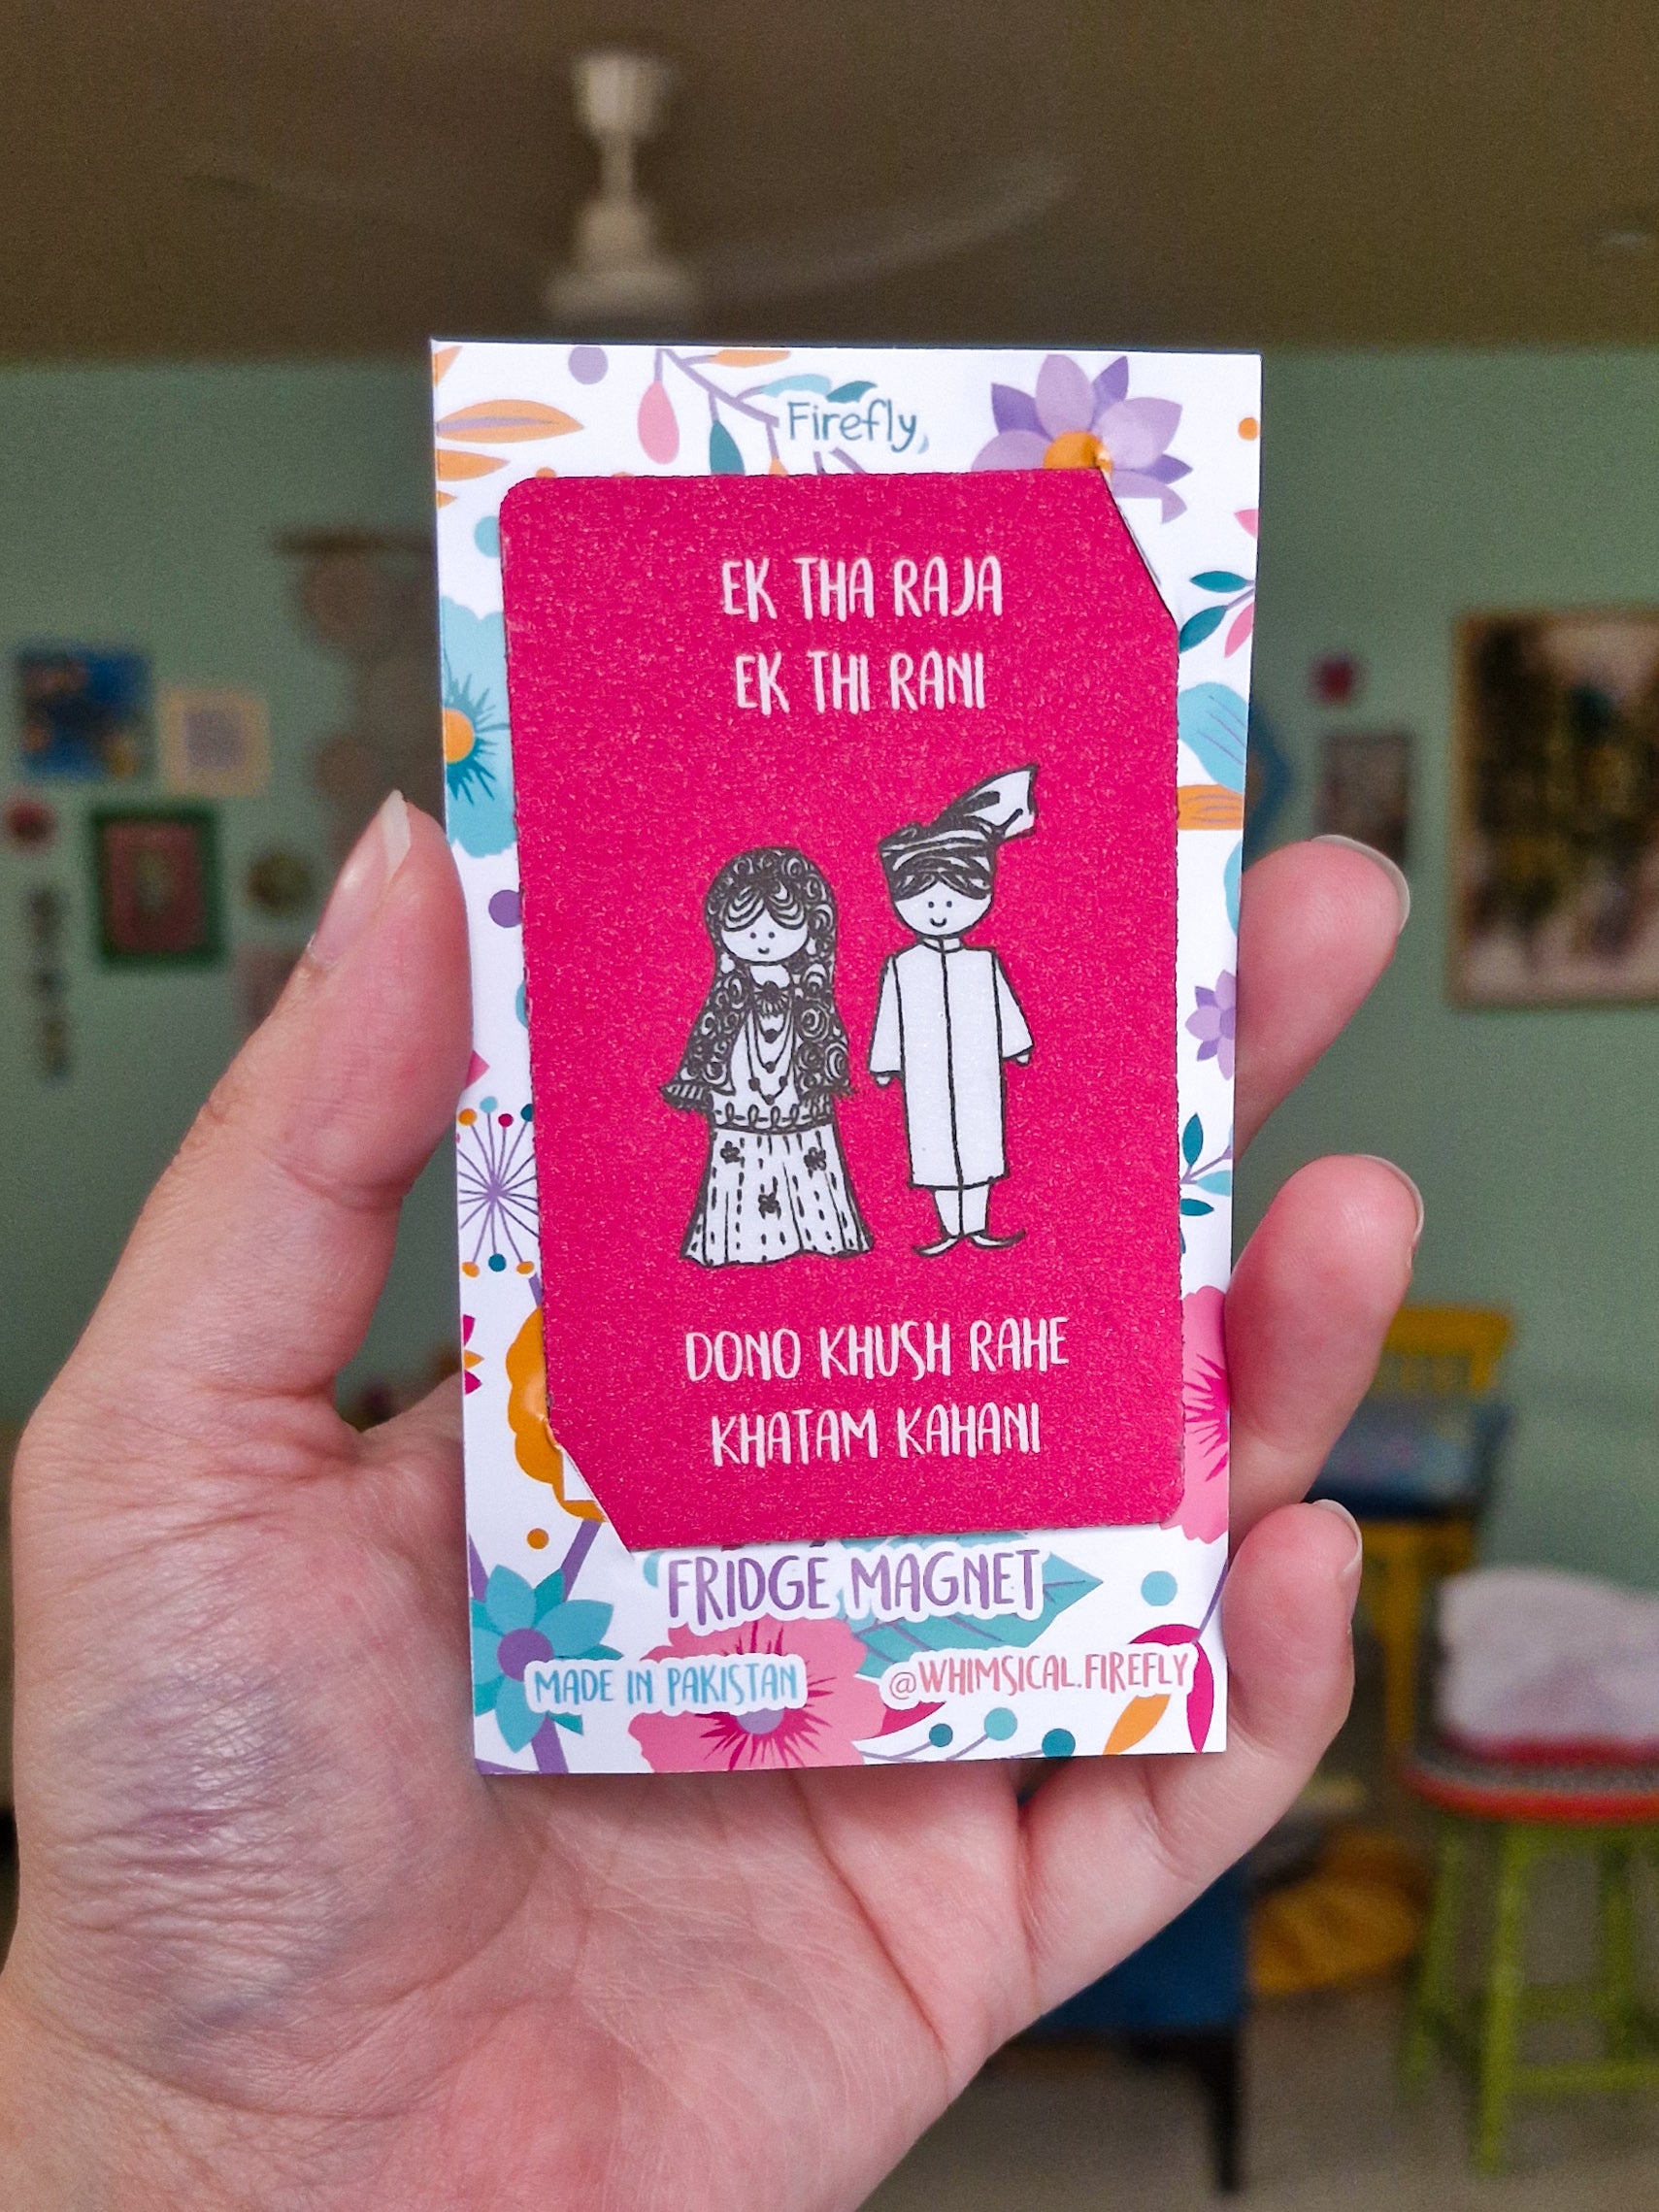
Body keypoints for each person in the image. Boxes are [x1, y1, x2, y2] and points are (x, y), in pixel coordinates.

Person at [0, 793, 1418, 2208]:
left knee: (956, 1168)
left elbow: (933, 1051)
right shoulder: (761, 989)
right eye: (756, 922)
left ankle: (942, 1221)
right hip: (728, 1235)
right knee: (824, 1180)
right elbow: (760, 1060)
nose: (779, 939)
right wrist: (211, 2131)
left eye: (788, 922)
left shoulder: (931, 974)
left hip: (876, 1205)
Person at [663, 844, 871, 1267]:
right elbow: (710, 1035)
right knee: (738, 1153)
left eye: (777, 929)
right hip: (739, 1096)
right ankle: (737, 1242)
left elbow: (826, 1034)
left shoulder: (810, 994)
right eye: (747, 930)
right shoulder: (728, 994)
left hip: (798, 1089)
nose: (762, 941)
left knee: (807, 1149)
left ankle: (820, 1234)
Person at [871, 768, 1038, 1254]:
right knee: (935, 1151)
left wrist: (1017, 1045)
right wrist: (885, 1062)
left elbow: (1004, 1005)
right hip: (924, 1074)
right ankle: (950, 1228)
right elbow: (889, 1017)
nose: (939, 911)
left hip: (976, 1069)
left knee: (981, 1144)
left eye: (953, 899)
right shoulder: (902, 966)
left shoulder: (982, 962)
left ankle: (977, 1224)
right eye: (925, 901)